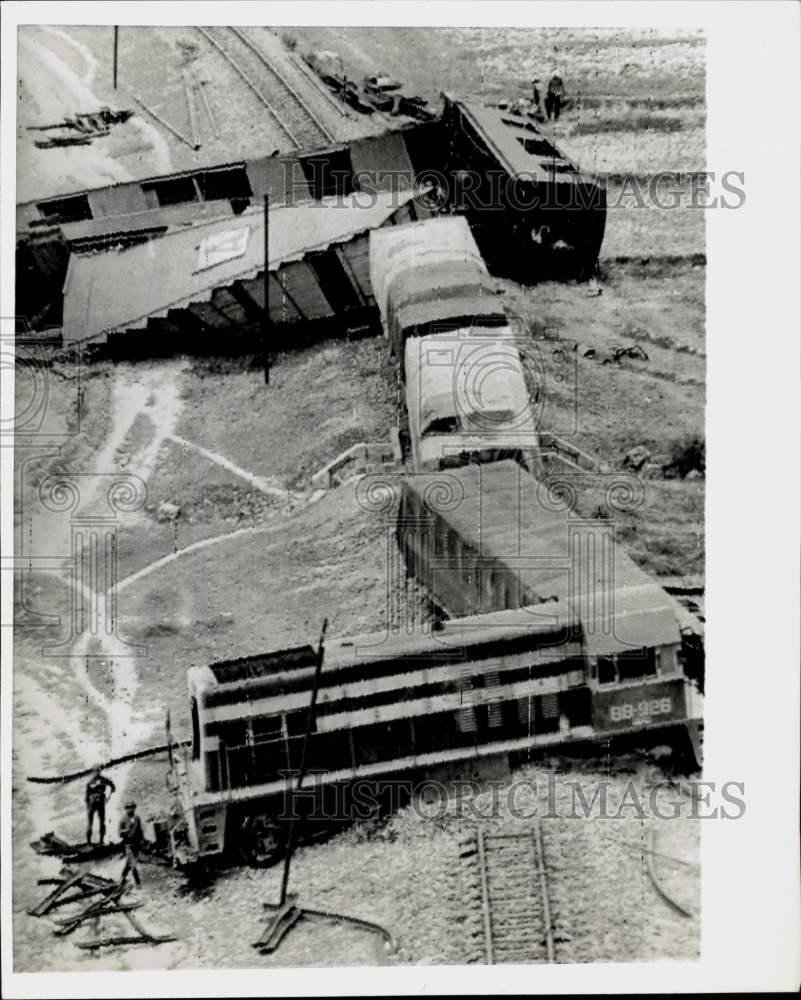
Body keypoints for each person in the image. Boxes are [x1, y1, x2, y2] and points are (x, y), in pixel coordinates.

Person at [85, 767, 115, 845]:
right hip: (95, 803)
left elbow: (113, 787)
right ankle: (91, 841)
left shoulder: (93, 781)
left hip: (97, 803)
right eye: (95, 771)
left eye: (97, 771)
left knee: (100, 822)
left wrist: (108, 797)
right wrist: (108, 797)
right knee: (92, 823)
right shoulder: (94, 781)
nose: (96, 773)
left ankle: (99, 841)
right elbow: (87, 797)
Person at [119, 800, 144, 886]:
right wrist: (126, 830)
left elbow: (140, 830)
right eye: (128, 808)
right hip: (128, 845)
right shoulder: (123, 820)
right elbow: (119, 833)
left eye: (132, 807)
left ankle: (121, 879)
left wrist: (143, 840)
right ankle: (138, 884)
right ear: (125, 809)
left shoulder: (137, 818)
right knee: (133, 864)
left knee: (128, 864)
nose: (131, 810)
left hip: (136, 844)